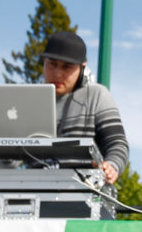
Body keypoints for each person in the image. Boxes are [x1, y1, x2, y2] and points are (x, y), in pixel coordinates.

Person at [41, 30, 128, 184]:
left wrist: (112, 166)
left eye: (67, 67)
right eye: (52, 64)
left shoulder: (96, 95)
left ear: (82, 69)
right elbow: (11, 158)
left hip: (83, 192)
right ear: (44, 62)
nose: (58, 73)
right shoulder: (29, 101)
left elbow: (117, 143)